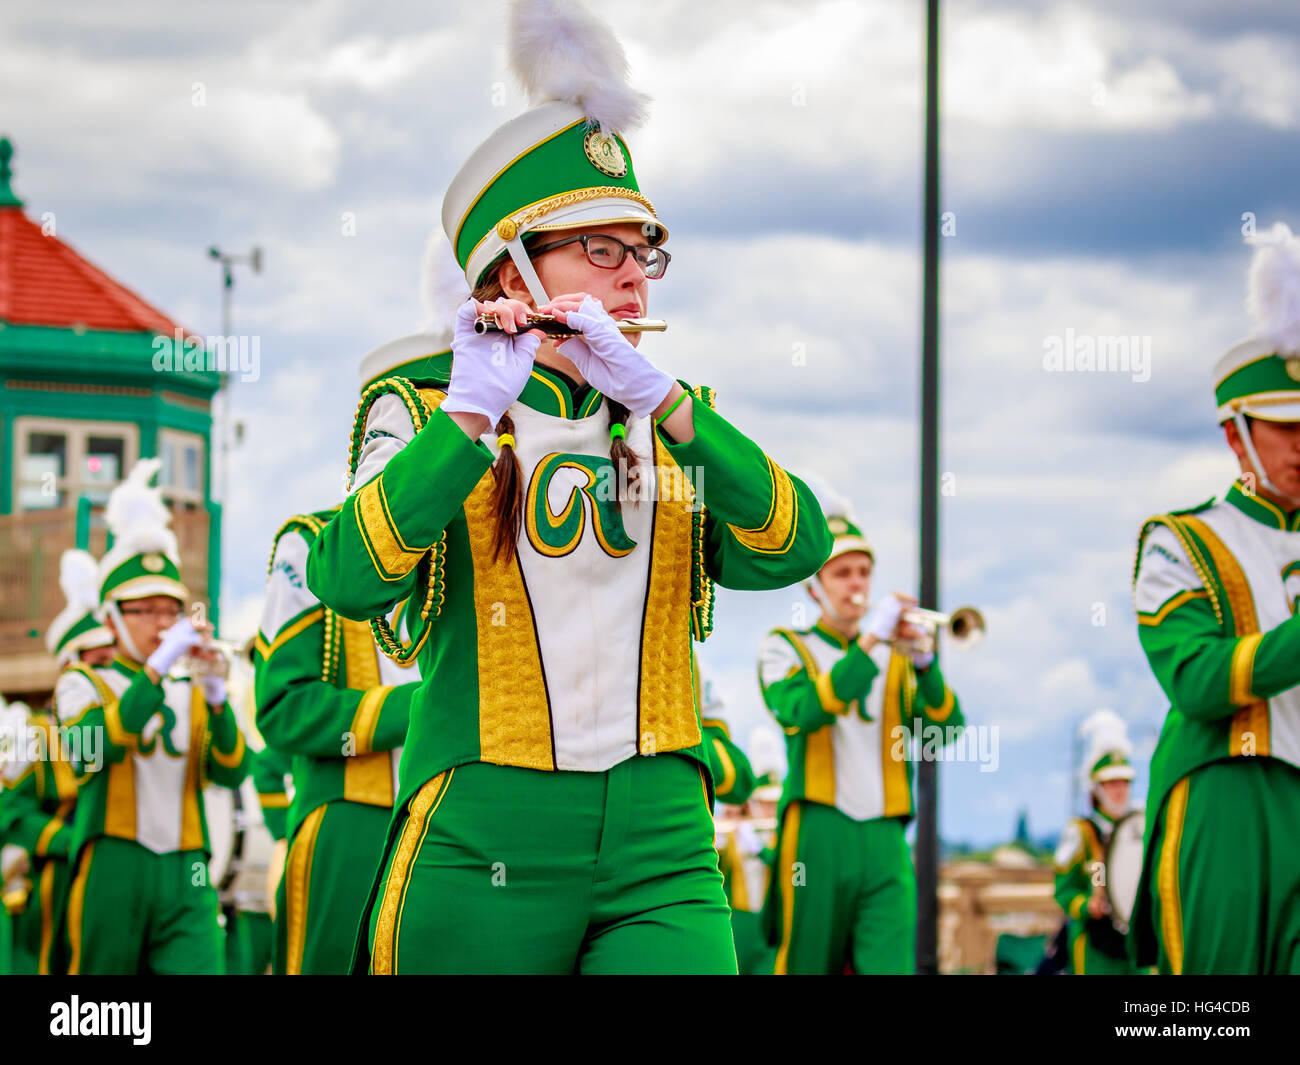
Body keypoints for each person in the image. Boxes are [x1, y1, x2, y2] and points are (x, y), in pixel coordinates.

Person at [305, 0, 832, 974]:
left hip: (663, 832)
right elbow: (347, 578)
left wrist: (670, 404)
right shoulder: (419, 405)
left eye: (644, 253)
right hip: (486, 825)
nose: (634, 277)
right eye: (601, 248)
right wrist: (467, 419)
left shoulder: (674, 414)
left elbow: (797, 548)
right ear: (507, 267)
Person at [1132, 222, 1300, 975]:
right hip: (1222, 792)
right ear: (1236, 434)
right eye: (1284, 428)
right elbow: (1198, 681)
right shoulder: (1181, 539)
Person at [54, 459, 249, 974]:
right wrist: (157, 672)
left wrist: (215, 697)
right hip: (113, 861)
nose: (162, 622)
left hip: (188, 864)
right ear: (112, 619)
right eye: (146, 610)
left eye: (171, 609)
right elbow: (91, 750)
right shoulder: (82, 683)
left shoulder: (187, 687)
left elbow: (231, 770)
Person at [758, 498, 964, 974]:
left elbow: (945, 731)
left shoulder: (896, 656)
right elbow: (803, 712)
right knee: (806, 963)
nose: (856, 584)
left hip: (886, 833)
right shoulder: (785, 647)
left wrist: (925, 663)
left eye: (864, 572)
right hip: (817, 829)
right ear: (814, 588)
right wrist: (870, 643)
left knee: (891, 965)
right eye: (842, 573)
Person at [0, 550, 113, 974]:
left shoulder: (122, 725)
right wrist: (70, 841)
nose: (107, 673)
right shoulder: (34, 735)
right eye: (95, 664)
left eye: (111, 662)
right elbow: (10, 814)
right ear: (68, 667)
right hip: (54, 883)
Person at [1052, 710, 1143, 975]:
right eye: (1112, 782)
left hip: (1134, 941)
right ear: (1096, 788)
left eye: (1124, 782)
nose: (1120, 789)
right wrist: (1085, 905)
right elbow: (1063, 889)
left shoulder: (1141, 827)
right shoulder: (1080, 831)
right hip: (1095, 945)